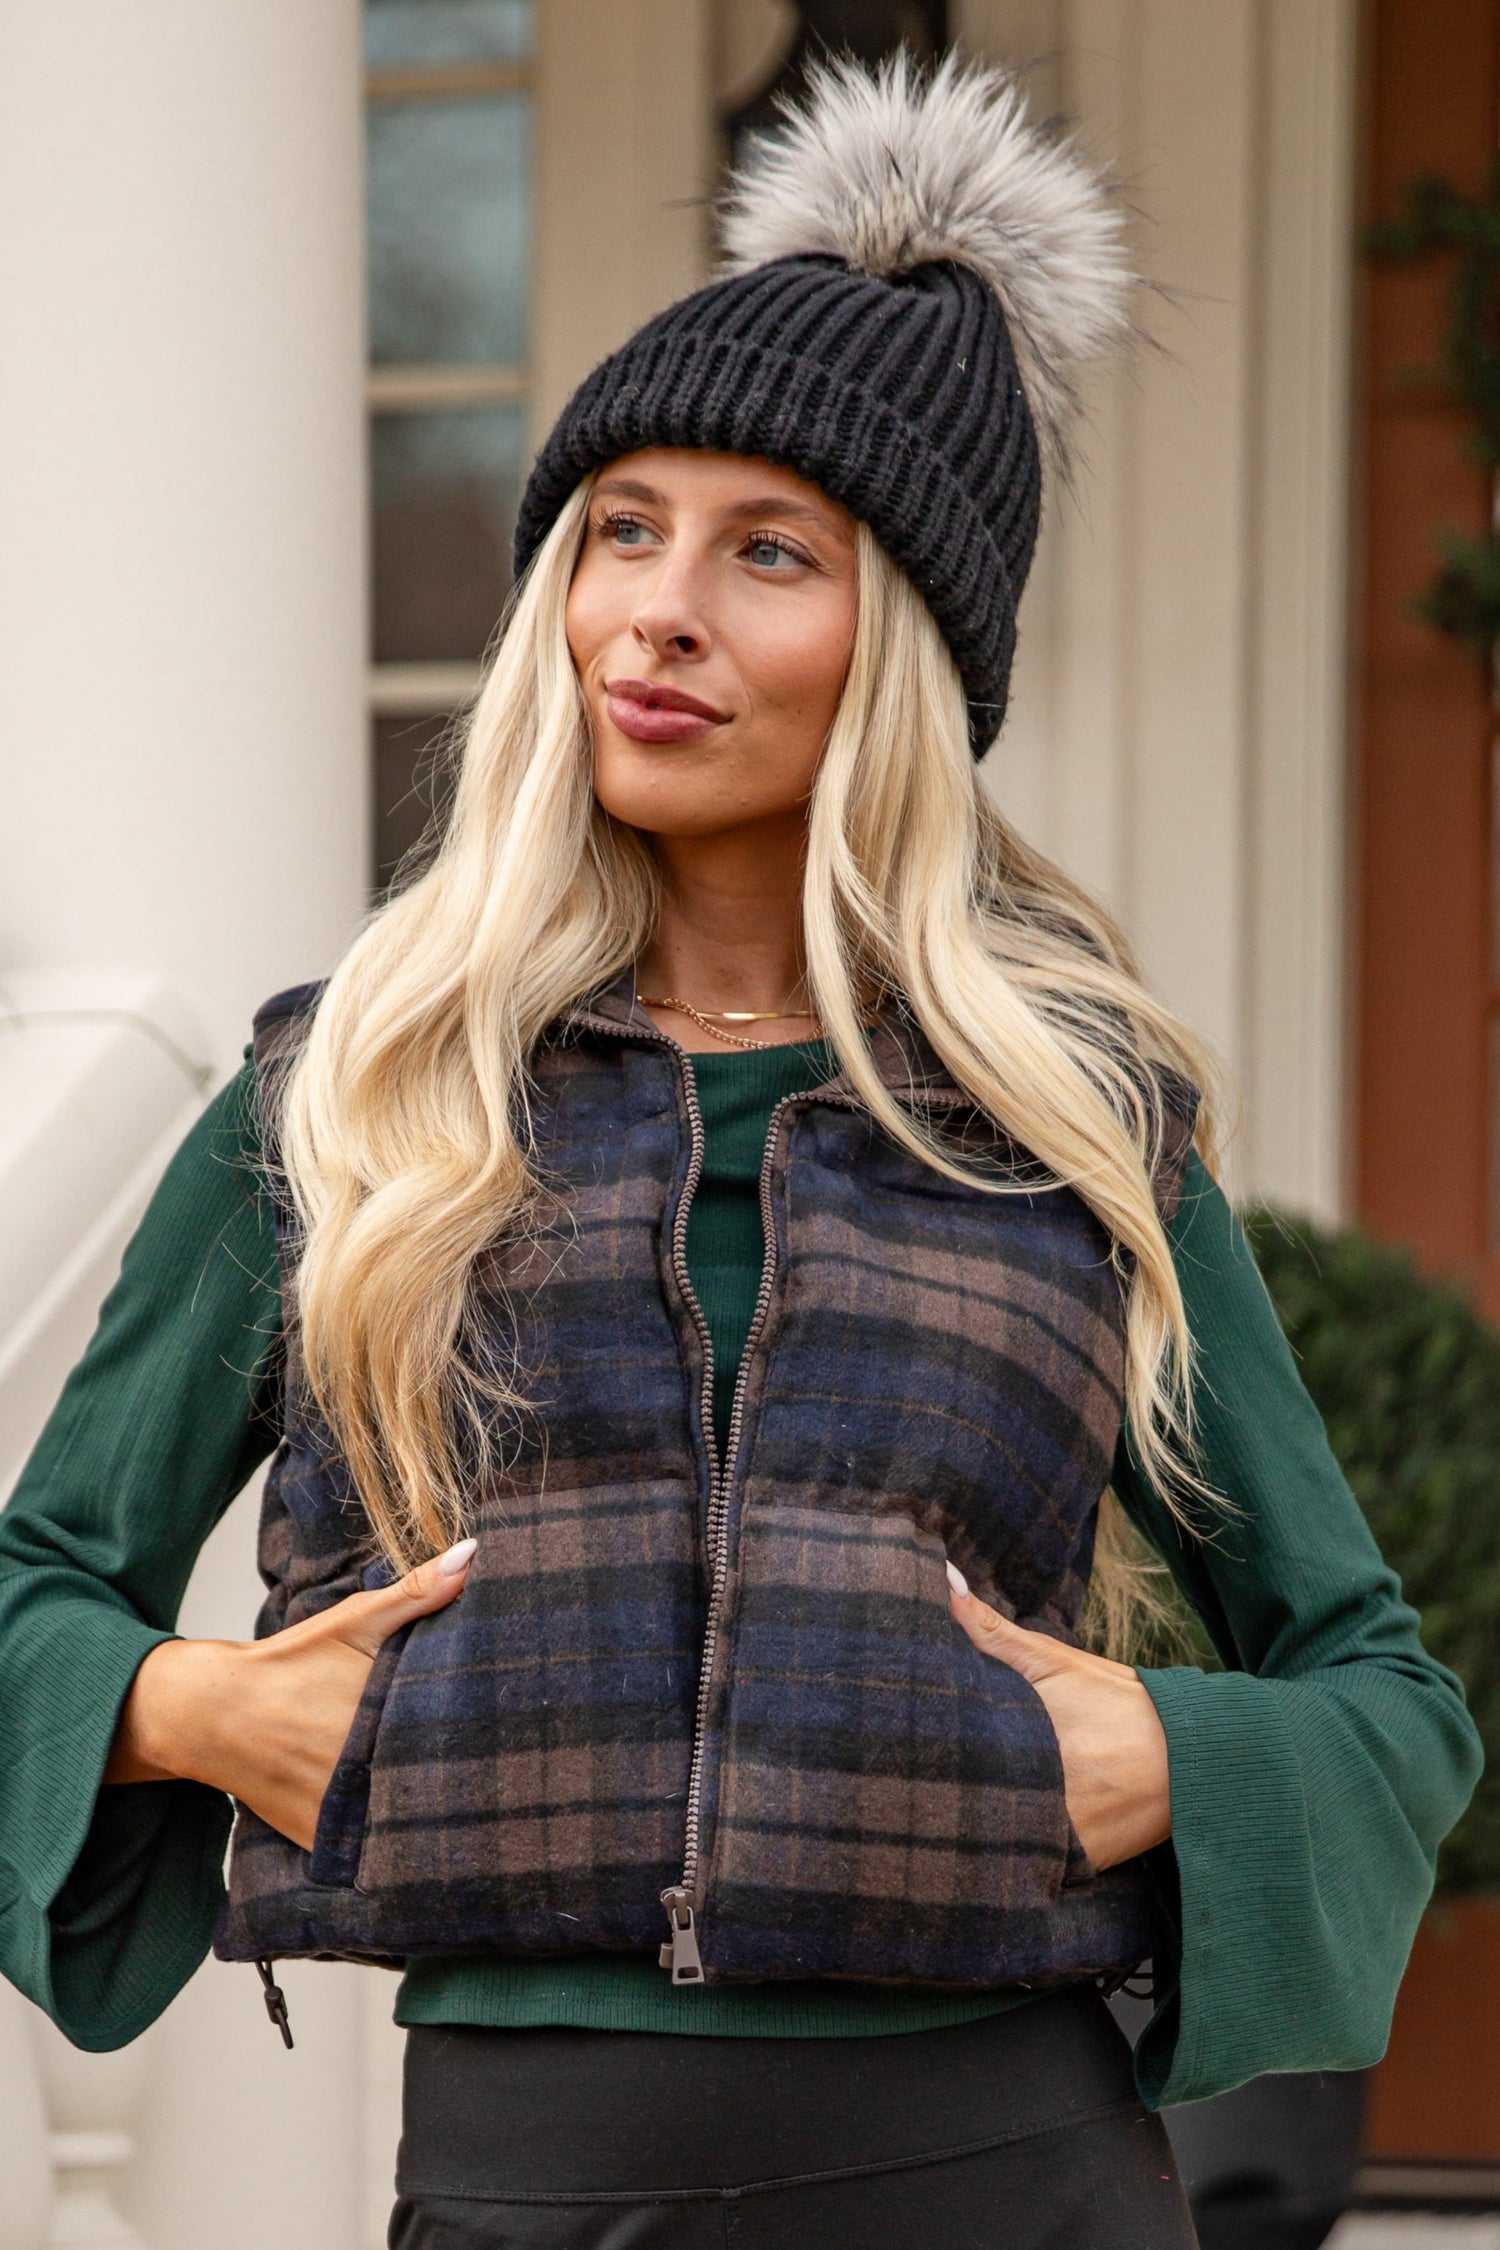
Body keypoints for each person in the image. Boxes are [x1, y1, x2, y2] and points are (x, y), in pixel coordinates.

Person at [0, 55, 1479, 2250]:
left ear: (906, 652)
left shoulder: (1069, 1127)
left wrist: (1186, 1759)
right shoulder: (351, 1097)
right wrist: (191, 1705)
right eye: (621, 528)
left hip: (1017, 2172)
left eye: (769, 551)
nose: (657, 611)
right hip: (528, 2185)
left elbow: (1383, 1689)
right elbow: (37, 1592)